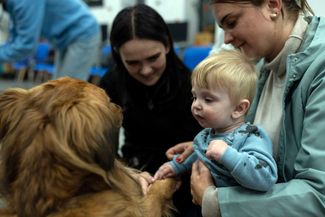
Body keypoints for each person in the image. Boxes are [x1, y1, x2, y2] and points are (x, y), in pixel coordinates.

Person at [165, 0, 325, 216]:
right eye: (223, 29)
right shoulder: (260, 61)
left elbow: (318, 194)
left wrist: (216, 201)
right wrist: (214, 142)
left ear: (272, 5)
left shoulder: (319, 69)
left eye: (231, 22)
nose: (228, 39)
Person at [98, 4, 202, 217]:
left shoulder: (192, 84)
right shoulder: (110, 84)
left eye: (153, 58)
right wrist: (127, 174)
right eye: (133, 63)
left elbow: (202, 144)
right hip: (133, 172)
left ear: (167, 45)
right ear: (118, 56)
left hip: (184, 178)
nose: (145, 70)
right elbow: (102, 150)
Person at [154, 50, 278, 192]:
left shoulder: (251, 137)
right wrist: (175, 166)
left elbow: (266, 179)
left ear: (238, 108)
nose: (196, 105)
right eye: (195, 97)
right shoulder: (205, 136)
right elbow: (198, 155)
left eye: (208, 99)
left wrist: (227, 154)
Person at [0, 0, 101, 81]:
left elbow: (26, 45)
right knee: (57, 90)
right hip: (65, 39)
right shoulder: (11, 4)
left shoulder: (23, 2)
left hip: (82, 32)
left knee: (67, 93)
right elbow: (15, 40)